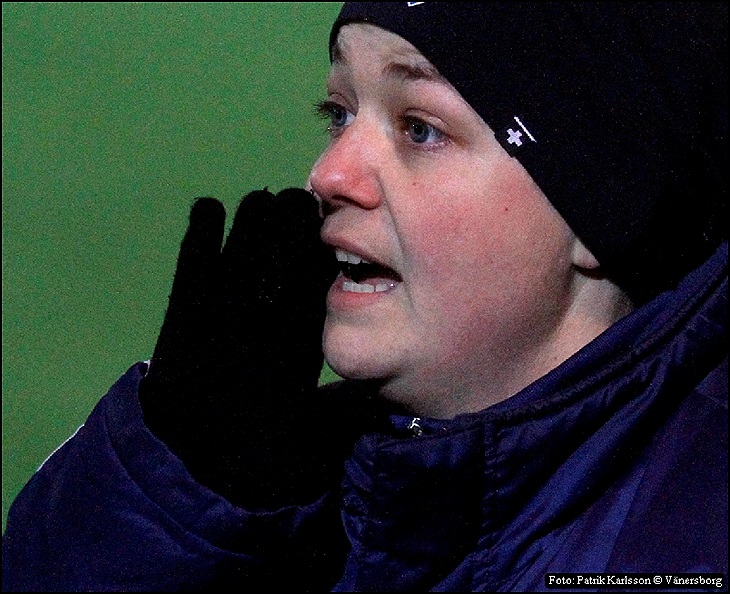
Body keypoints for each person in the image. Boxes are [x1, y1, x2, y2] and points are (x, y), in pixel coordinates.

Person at [2, 2, 727, 591]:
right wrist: (176, 499)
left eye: (420, 128)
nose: (327, 173)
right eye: (339, 113)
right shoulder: (320, 489)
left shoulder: (689, 551)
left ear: (610, 203)